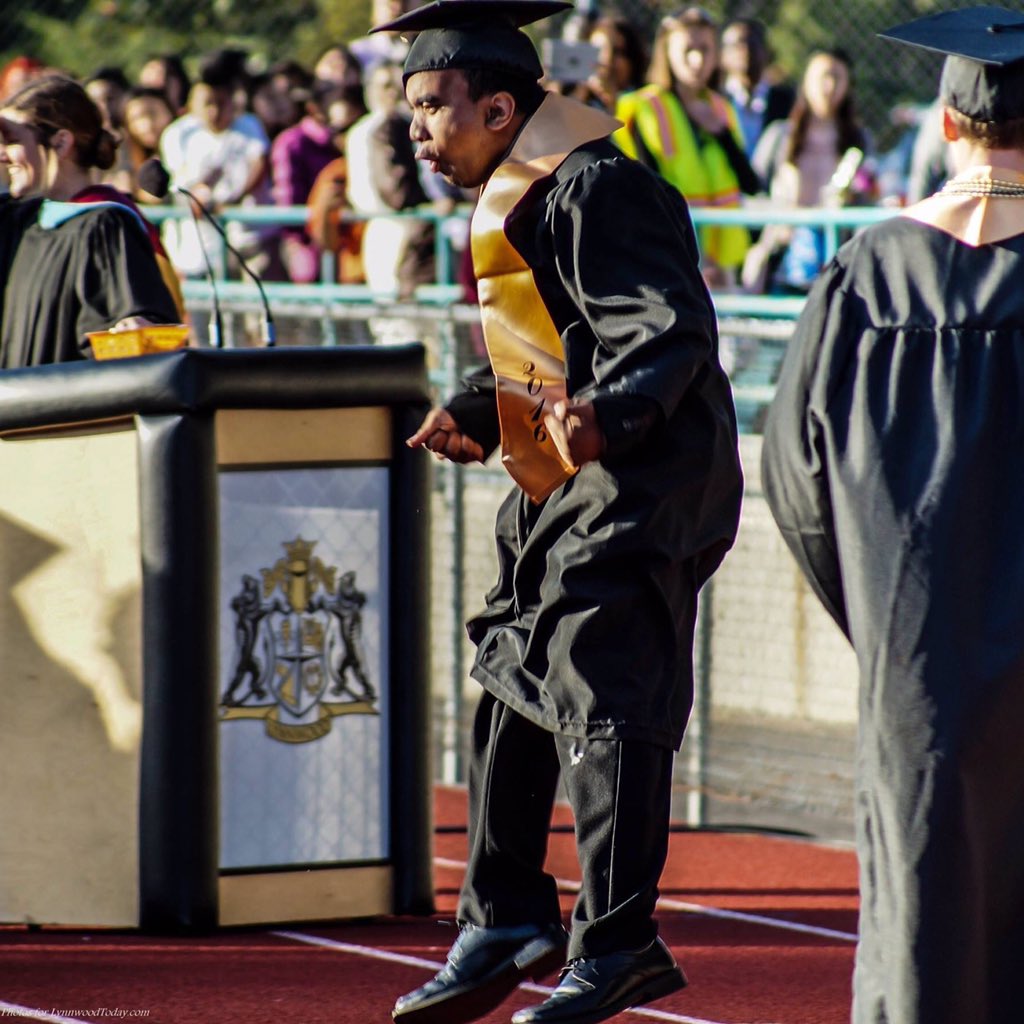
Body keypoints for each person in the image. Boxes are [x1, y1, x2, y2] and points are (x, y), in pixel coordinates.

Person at [385, 2, 743, 1024]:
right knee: (510, 665)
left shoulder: (602, 186)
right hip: (567, 469)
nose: (415, 129)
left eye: (428, 107)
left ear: (499, 108)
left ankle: (620, 939)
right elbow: (551, 341)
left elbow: (663, 333)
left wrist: (604, 416)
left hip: (645, 475)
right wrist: (470, 405)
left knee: (600, 677)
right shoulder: (528, 189)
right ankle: (502, 914)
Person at [761, 8, 1024, 1024]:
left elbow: (794, 484)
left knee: (923, 911)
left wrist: (883, 620)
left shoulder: (862, 276)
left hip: (913, 670)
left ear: (949, 128)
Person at [0, 75, 180, 366]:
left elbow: (142, 329)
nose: (3, 155)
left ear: (61, 142)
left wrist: (136, 325)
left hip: (70, 408)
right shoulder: (18, 222)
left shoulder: (106, 225)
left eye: (12, 141)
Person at [614, 5, 760, 288]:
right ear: (667, 50)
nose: (697, 59)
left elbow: (750, 183)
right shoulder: (642, 107)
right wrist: (694, 257)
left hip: (722, 263)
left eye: (705, 49)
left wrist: (722, 134)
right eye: (688, 50)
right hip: (669, 257)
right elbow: (645, 189)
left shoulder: (721, 108)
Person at [743, 48, 872, 294]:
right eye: (823, 76)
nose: (829, 85)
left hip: (837, 259)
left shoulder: (858, 141)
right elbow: (753, 194)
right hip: (783, 259)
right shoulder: (780, 136)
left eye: (837, 77)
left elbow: (869, 199)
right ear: (806, 81)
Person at [719, 18, 794, 158]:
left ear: (766, 51)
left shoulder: (787, 101)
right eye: (737, 44)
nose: (745, 50)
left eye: (752, 43)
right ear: (723, 55)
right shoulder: (714, 101)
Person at [569, 15, 647, 114]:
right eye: (597, 52)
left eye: (617, 52)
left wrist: (613, 102)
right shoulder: (580, 97)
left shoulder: (645, 100)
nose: (607, 61)